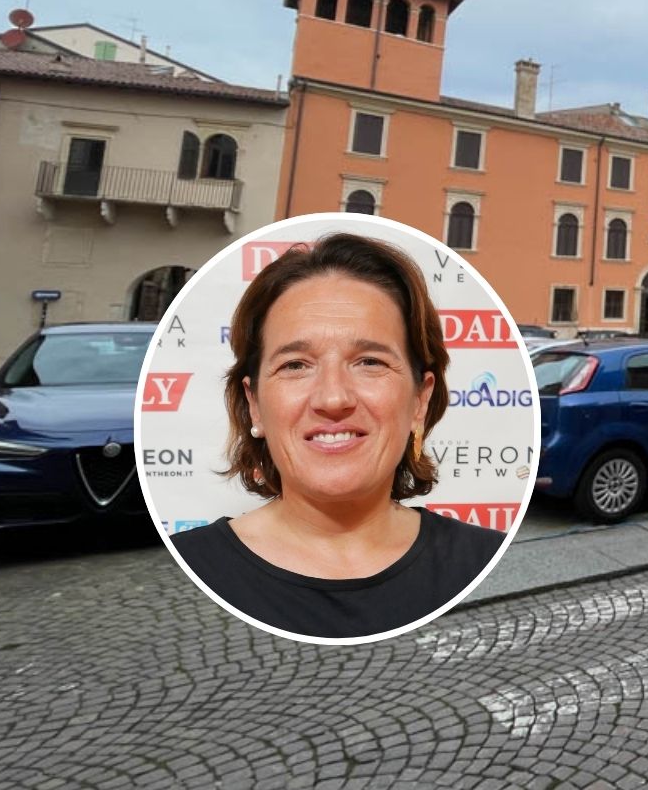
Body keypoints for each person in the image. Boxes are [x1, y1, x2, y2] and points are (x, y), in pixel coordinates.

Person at [170, 233, 505, 638]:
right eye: (295, 365)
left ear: (419, 400)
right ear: (254, 403)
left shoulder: (489, 559)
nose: (333, 397)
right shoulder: (184, 569)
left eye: (369, 361)